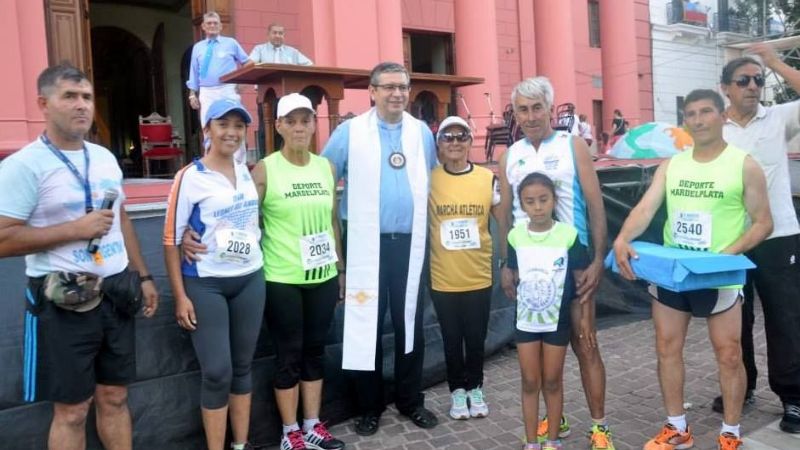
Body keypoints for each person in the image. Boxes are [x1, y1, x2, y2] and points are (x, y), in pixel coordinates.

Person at [0, 63, 159, 450]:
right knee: (72, 410)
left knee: (115, 397)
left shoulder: (104, 157)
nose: (81, 105)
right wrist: (76, 229)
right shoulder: (23, 166)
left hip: (117, 292)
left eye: (86, 97)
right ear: (43, 103)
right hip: (62, 300)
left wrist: (143, 275)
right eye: (69, 96)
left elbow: (119, 216)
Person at [612, 89, 773, 450]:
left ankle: (731, 432)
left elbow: (764, 223)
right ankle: (677, 427)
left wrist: (726, 254)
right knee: (667, 348)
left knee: (729, 354)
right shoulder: (673, 164)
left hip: (717, 275)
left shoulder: (744, 164)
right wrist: (622, 237)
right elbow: (646, 208)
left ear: (722, 117)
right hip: (674, 271)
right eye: (691, 114)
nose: (698, 120)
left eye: (706, 112)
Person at [321, 61, 439, 436]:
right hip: (365, 246)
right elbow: (323, 180)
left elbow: (431, 182)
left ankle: (409, 400)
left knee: (410, 326)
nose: (397, 94)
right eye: (388, 87)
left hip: (410, 245)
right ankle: (368, 407)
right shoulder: (349, 133)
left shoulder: (421, 133)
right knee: (364, 326)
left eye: (402, 87)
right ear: (371, 91)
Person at [498, 77, 614, 450]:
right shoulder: (510, 154)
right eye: (522, 109)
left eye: (537, 108)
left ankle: (599, 427)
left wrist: (598, 258)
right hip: (531, 271)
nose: (530, 116)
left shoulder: (572, 144)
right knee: (545, 347)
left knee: (585, 343)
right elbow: (504, 215)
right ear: (514, 113)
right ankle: (556, 416)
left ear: (551, 108)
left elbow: (596, 204)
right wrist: (506, 263)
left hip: (574, 266)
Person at [163, 99, 265, 450]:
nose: (232, 133)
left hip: (251, 278)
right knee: (217, 371)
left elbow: (251, 222)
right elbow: (170, 240)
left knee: (242, 366)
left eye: (238, 126)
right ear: (207, 130)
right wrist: (180, 296)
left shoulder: (247, 172)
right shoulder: (189, 177)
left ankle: (240, 444)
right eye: (223, 124)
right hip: (206, 284)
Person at [715, 43, 800, 434]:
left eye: (758, 80)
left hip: (780, 234)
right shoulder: (715, 127)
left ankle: (793, 397)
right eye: (744, 80)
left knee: (786, 318)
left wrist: (774, 61)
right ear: (726, 88)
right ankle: (741, 386)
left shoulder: (779, 118)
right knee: (735, 318)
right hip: (734, 241)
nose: (753, 86)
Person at [509, 172, 590, 450]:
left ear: (554, 200)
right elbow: (515, 274)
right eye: (530, 202)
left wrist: (584, 319)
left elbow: (581, 282)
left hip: (558, 322)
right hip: (526, 323)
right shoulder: (515, 236)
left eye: (544, 199)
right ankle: (532, 442)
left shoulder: (568, 235)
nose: (538, 207)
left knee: (553, 380)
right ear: (522, 205)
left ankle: (553, 441)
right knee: (530, 381)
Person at [428, 116, 500, 420]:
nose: (455, 143)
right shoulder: (429, 178)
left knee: (475, 337)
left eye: (462, 137)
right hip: (444, 277)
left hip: (478, 275)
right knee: (450, 338)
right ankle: (457, 391)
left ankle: (476, 387)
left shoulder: (486, 178)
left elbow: (503, 218)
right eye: (448, 137)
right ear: (439, 144)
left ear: (471, 142)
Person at [186, 11, 250, 131]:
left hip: (228, 89)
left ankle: (237, 151)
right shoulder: (197, 47)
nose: (212, 26)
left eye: (215, 23)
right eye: (209, 23)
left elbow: (248, 63)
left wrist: (243, 82)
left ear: (220, 26)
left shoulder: (231, 43)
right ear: (203, 27)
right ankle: (211, 150)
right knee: (208, 124)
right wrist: (192, 94)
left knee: (234, 121)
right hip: (207, 92)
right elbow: (194, 72)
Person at [248, 23, 313, 65]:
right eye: (274, 33)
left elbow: (309, 65)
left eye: (280, 33)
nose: (277, 36)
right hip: (265, 84)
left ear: (284, 36)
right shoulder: (259, 49)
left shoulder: (293, 52)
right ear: (268, 34)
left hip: (288, 85)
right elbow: (250, 65)